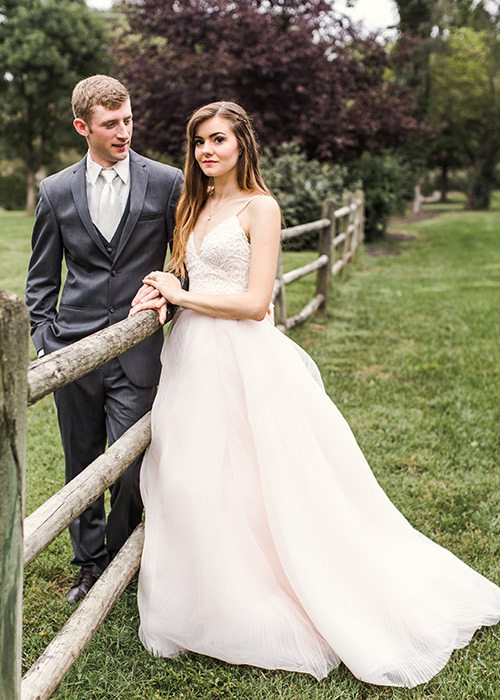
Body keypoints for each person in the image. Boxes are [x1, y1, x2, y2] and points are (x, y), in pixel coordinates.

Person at [130, 101, 499, 687]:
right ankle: (216, 596)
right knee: (197, 477)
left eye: (218, 139)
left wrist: (181, 295)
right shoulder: (192, 205)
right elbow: (185, 277)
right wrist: (160, 291)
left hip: (245, 358)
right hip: (193, 359)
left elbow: (255, 303)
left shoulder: (262, 207)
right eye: (199, 141)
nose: (206, 151)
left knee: (263, 478)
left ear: (242, 144)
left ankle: (280, 592)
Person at [25, 75, 183, 604]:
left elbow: (182, 257)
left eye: (128, 120)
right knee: (82, 461)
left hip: (140, 348)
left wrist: (170, 292)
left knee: (133, 461)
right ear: (82, 127)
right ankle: (88, 566)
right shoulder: (55, 191)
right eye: (111, 124)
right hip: (73, 351)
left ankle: (122, 554)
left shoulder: (166, 182)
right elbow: (41, 282)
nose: (123, 132)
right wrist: (49, 343)